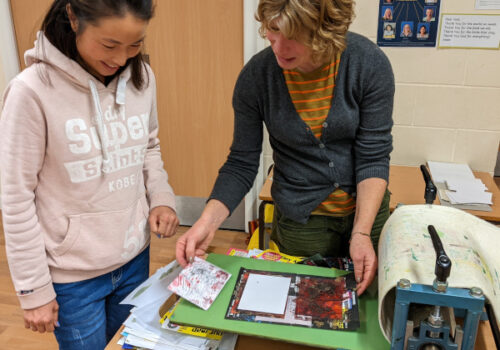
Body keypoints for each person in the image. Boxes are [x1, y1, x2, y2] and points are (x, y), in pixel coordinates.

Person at [176, 0, 394, 297]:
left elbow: (373, 156)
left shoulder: (367, 63)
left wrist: (361, 232)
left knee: (372, 302)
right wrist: (207, 222)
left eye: (293, 35)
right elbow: (242, 162)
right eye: (273, 30)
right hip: (301, 219)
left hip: (368, 212)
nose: (278, 46)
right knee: (310, 305)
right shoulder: (257, 77)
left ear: (324, 31)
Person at [0, 0, 179, 348]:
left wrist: (161, 199)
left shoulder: (142, 79)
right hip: (72, 277)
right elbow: (16, 197)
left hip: (134, 257)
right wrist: (33, 288)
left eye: (135, 44)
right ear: (72, 17)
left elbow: (149, 147)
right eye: (110, 44)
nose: (122, 58)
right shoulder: (30, 92)